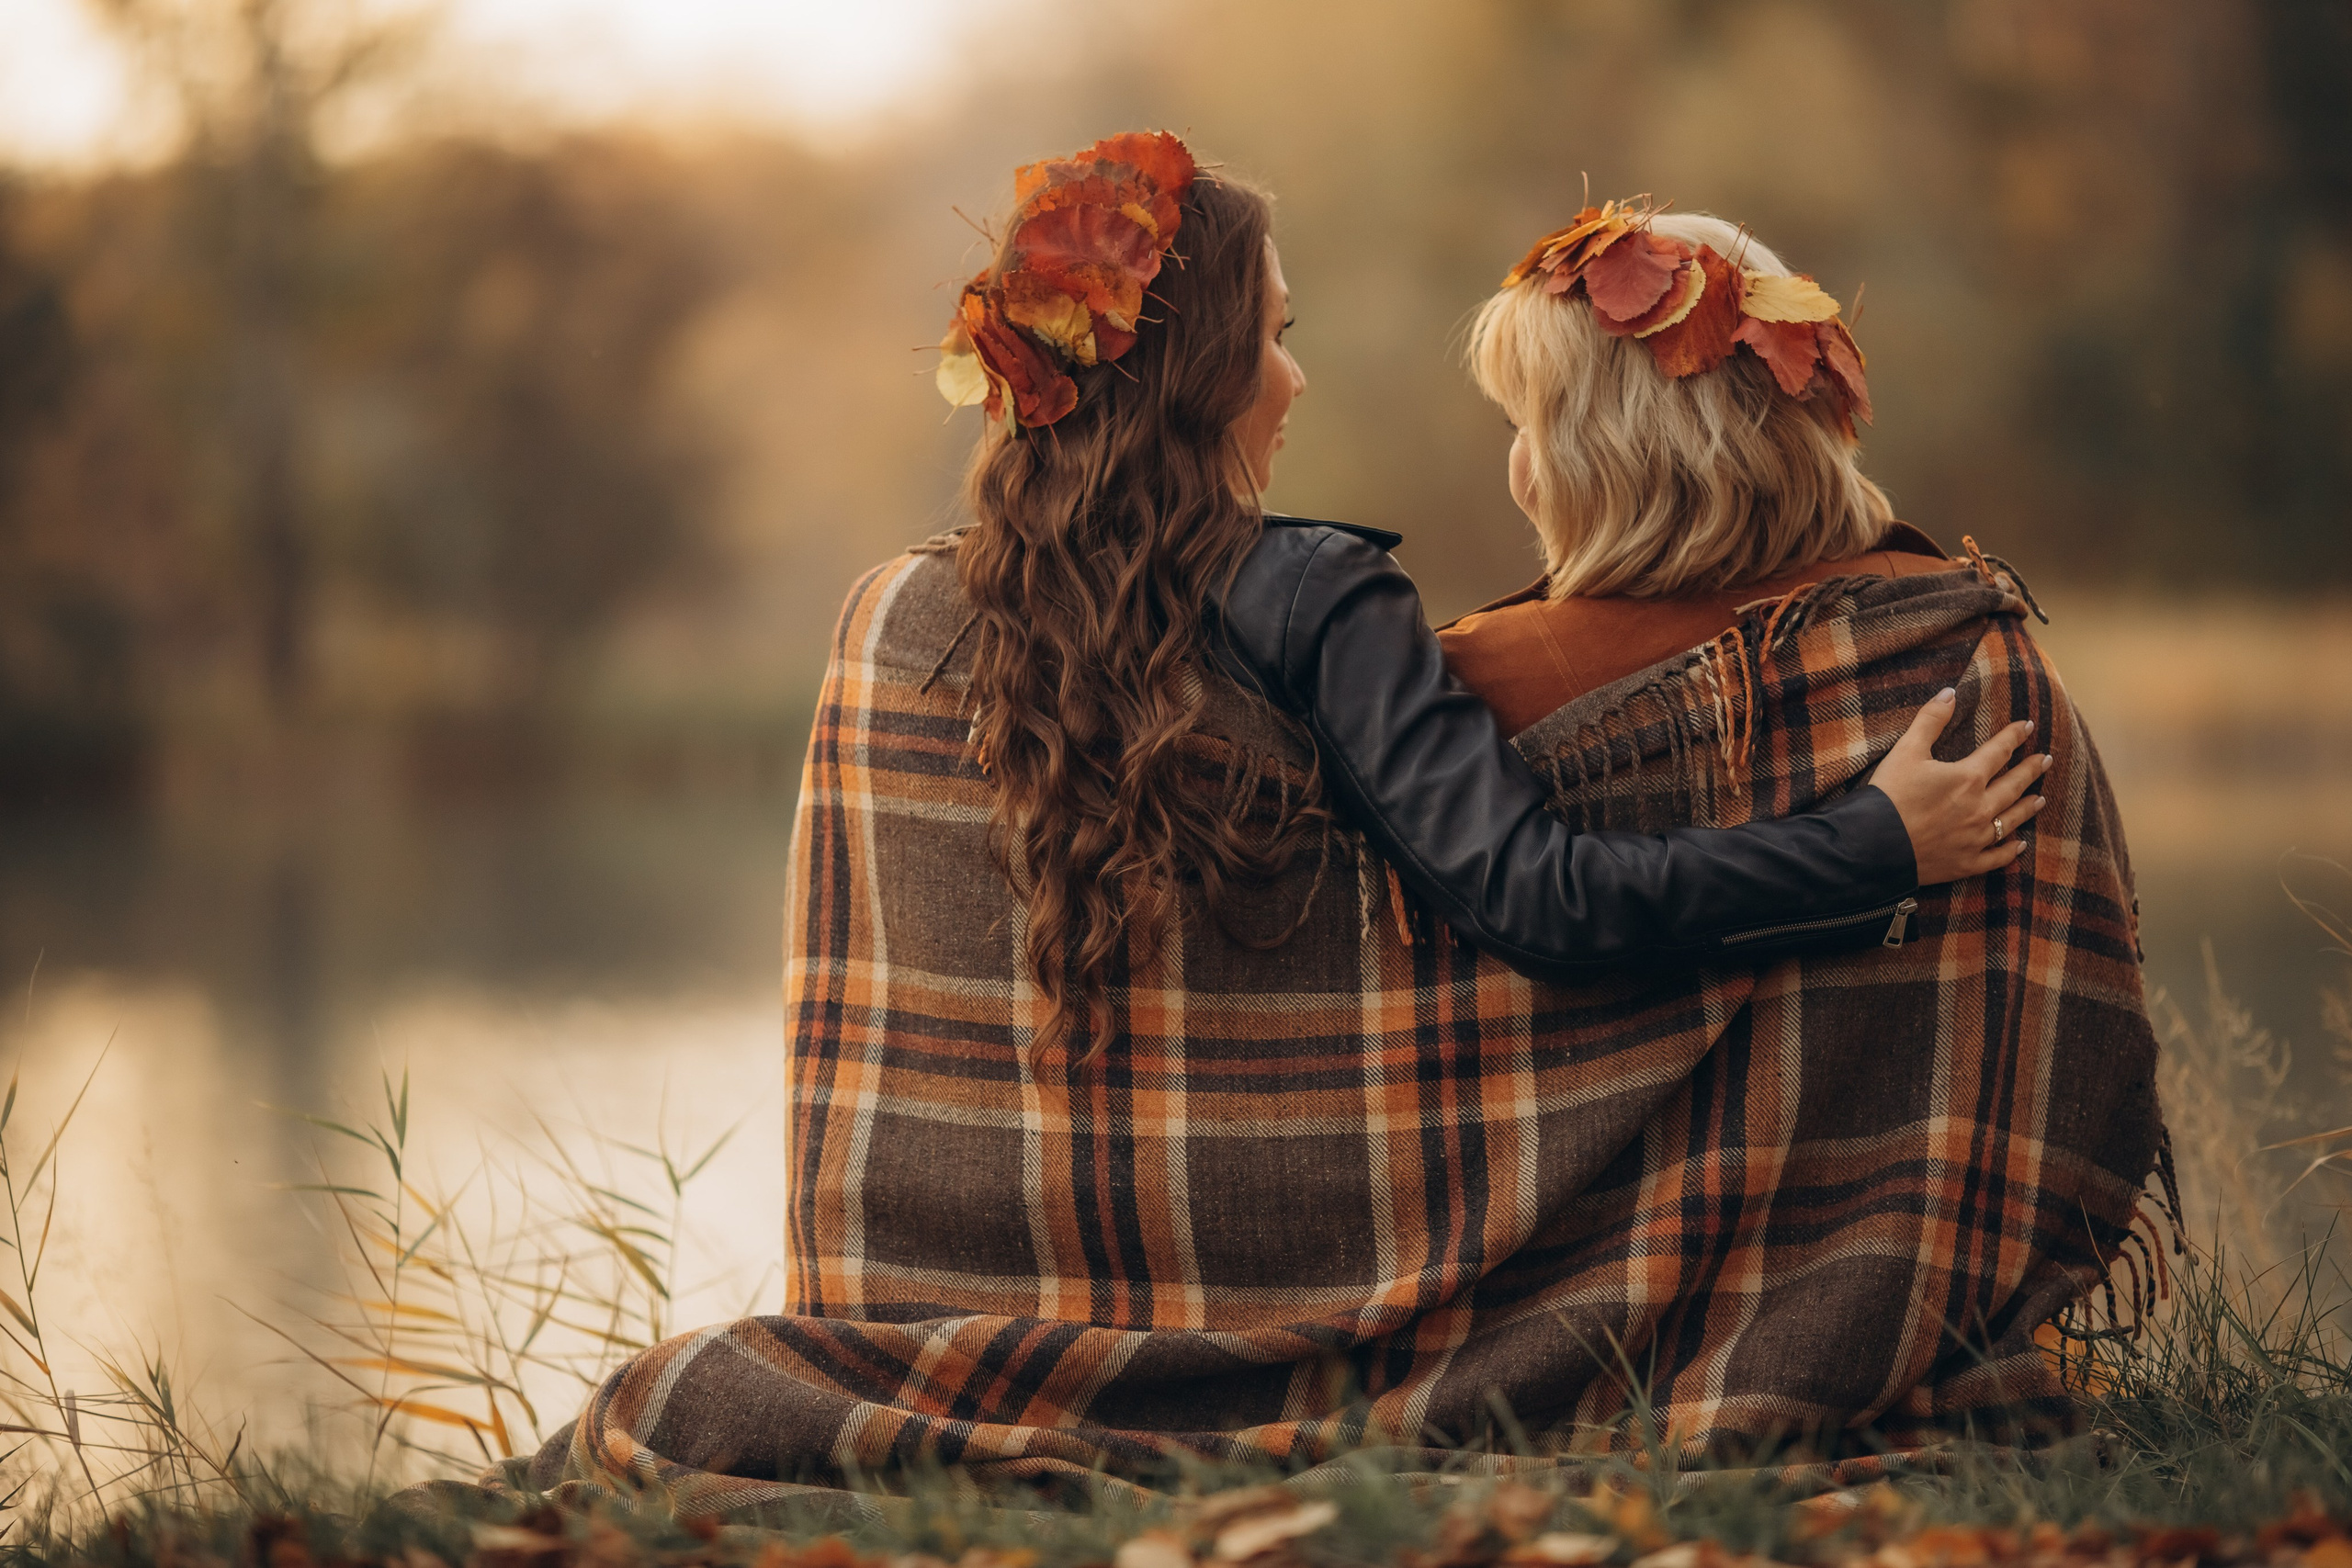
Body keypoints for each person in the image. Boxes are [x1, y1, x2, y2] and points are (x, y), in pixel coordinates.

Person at [498, 142, 2159, 1516]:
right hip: (1352, 1255)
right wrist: (1878, 844)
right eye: (1279, 333)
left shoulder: (910, 618)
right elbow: (1533, 895)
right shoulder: (1321, 596)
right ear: (1213, 363)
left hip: (974, 1289)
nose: (1297, 370)